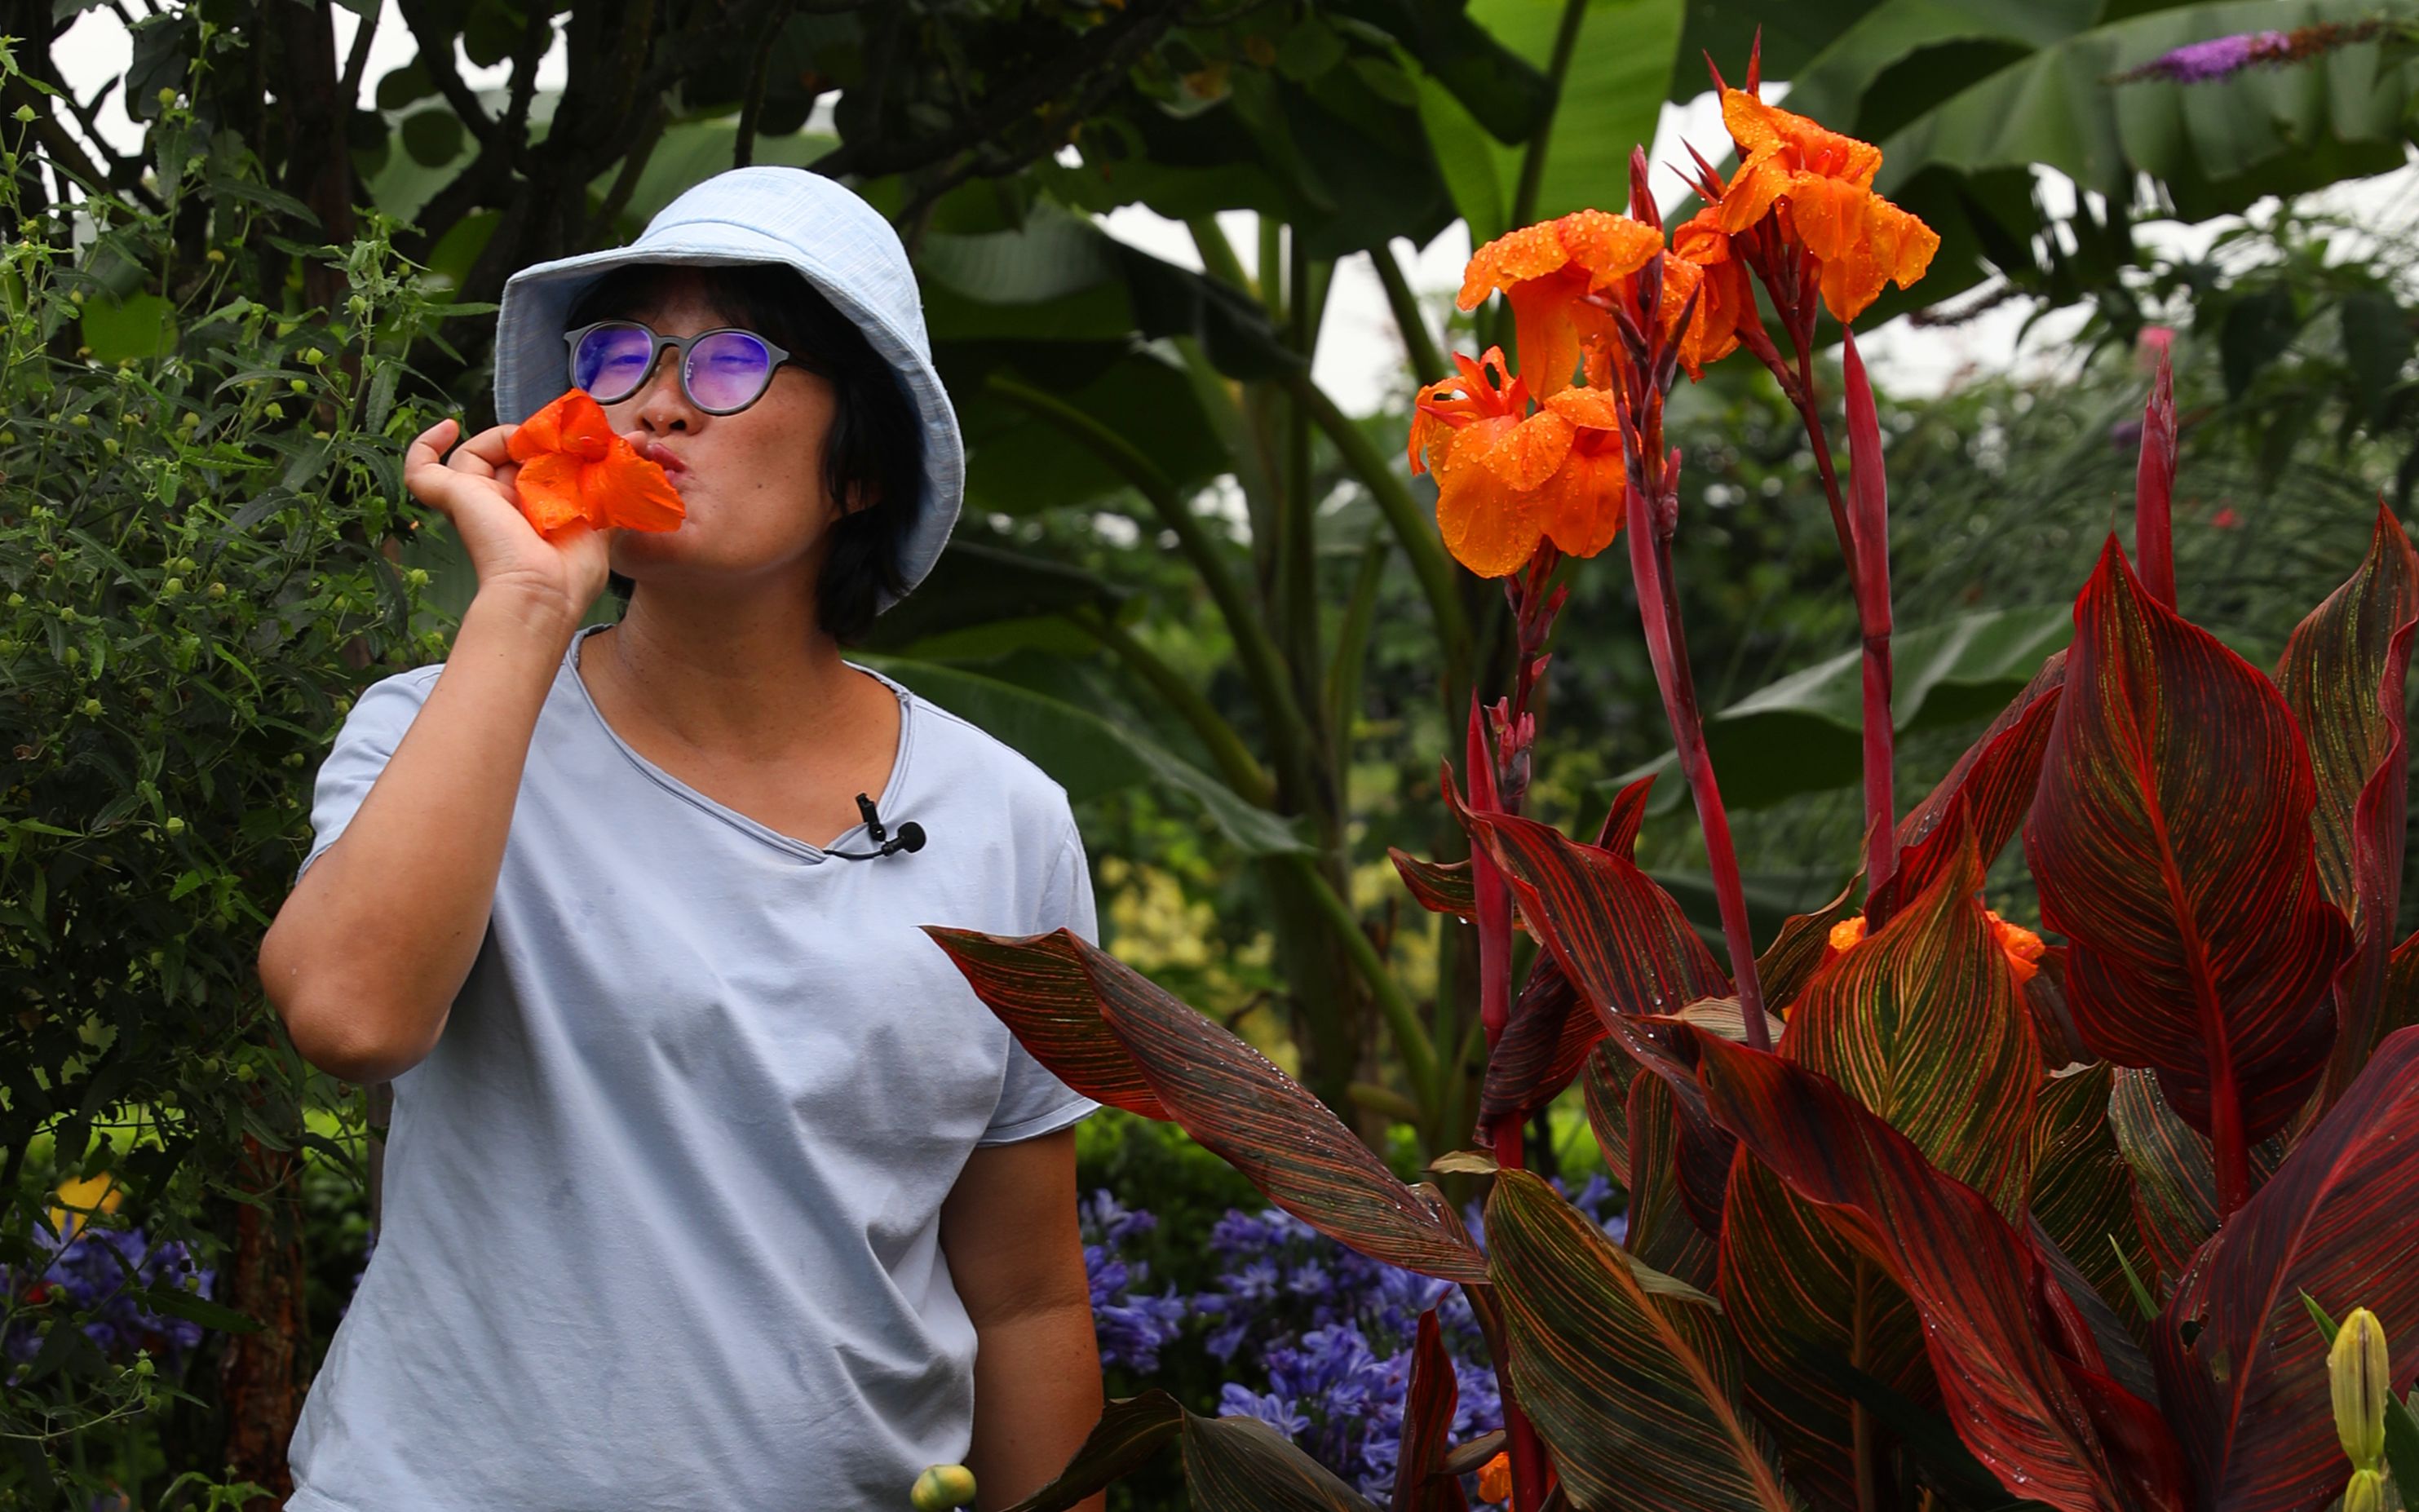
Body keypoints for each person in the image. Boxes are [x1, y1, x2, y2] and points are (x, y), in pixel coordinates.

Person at [257, 166, 1108, 1511]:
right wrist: (530, 600)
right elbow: (350, 1017)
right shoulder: (437, 728)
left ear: (863, 467)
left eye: (727, 361)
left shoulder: (1008, 819)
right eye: (617, 358)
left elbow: (1025, 1298)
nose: (654, 400)